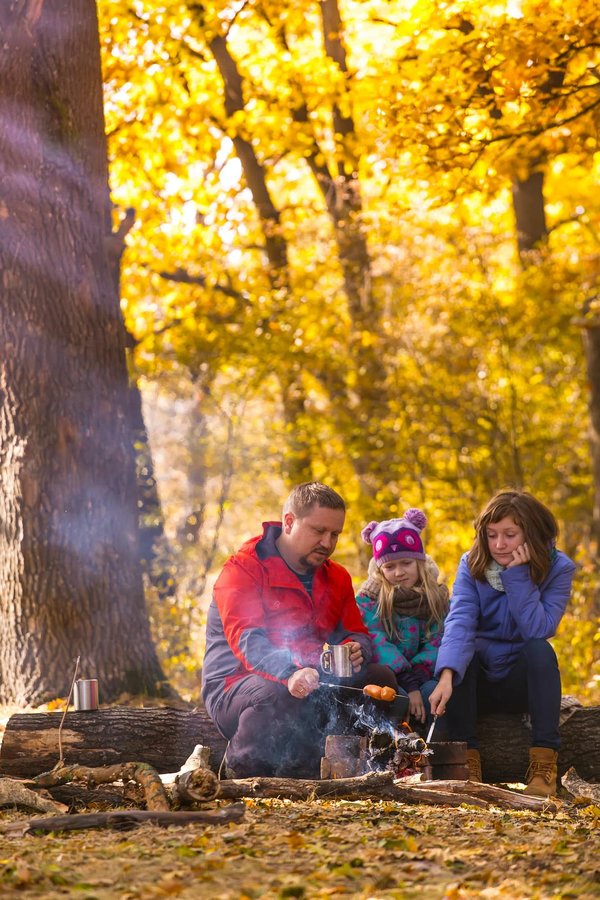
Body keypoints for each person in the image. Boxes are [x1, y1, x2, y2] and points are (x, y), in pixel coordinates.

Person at [201, 481, 400, 778]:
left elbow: (355, 631)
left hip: (313, 680)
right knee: (279, 693)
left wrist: (356, 647)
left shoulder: (338, 578)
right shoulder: (242, 569)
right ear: (289, 522)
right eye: (319, 531)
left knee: (381, 678)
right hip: (237, 684)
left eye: (335, 534)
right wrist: (289, 673)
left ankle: (357, 766)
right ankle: (240, 768)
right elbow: (247, 641)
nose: (327, 543)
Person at [429, 490, 576, 797]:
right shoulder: (472, 564)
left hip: (521, 684)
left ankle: (544, 765)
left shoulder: (559, 568)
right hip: (478, 683)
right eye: (492, 535)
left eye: (510, 535)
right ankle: (467, 765)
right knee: (459, 660)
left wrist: (518, 576)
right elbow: (460, 622)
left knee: (540, 650)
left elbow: (539, 628)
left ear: (531, 533)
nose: (499, 545)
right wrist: (445, 676)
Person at [357, 509, 449, 730]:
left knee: (432, 696)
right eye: (390, 566)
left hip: (423, 675)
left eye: (406, 563)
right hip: (390, 675)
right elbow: (377, 639)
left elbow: (437, 641)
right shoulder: (370, 599)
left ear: (420, 562)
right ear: (380, 569)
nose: (399, 572)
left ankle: (433, 757)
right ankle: (390, 756)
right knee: (396, 698)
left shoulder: (436, 598)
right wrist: (408, 682)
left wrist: (417, 680)